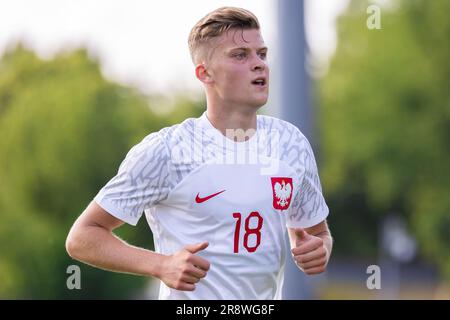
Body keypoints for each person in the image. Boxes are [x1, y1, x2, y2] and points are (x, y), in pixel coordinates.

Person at [66, 6, 332, 300]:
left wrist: (319, 248)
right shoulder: (168, 150)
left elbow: (315, 234)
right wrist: (161, 265)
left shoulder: (291, 143)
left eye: (262, 53)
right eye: (240, 55)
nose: (259, 64)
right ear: (204, 73)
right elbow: (82, 236)